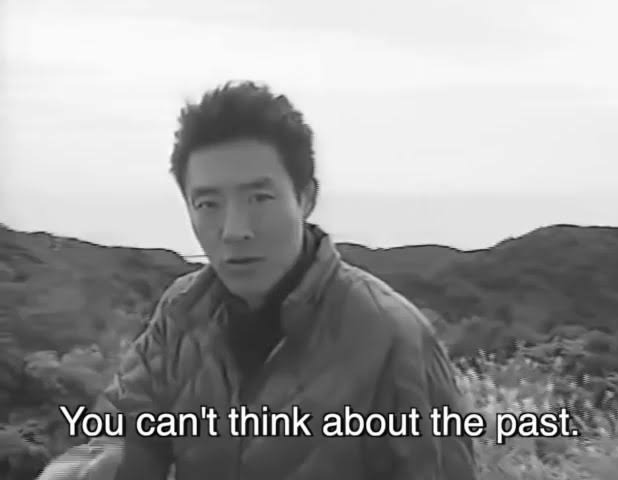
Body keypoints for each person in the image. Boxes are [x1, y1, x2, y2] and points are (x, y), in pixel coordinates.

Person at [36, 81, 477, 479]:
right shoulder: (183, 313)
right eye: (208, 204)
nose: (234, 230)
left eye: (260, 198)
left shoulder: (393, 338)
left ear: (306, 198)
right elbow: (122, 431)